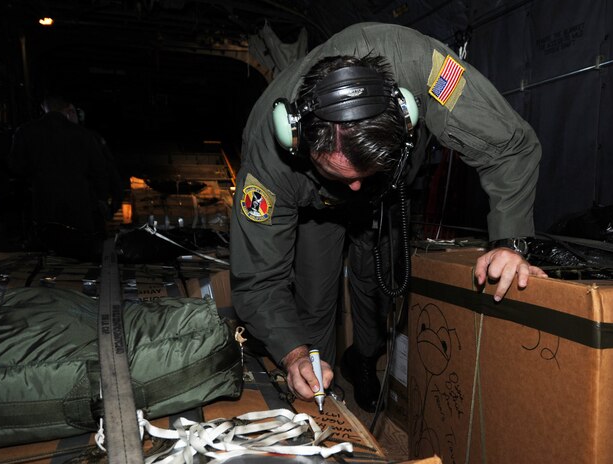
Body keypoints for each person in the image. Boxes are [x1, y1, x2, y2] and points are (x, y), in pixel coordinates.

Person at [230, 22, 547, 410]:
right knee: (314, 300)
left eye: (361, 175)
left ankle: (364, 358)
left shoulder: (422, 68)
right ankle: (321, 389)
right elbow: (258, 280)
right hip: (316, 208)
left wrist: (509, 241)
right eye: (339, 174)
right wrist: (293, 355)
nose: (355, 188)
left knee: (378, 287)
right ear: (296, 138)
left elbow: (509, 144)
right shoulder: (268, 161)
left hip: (390, 189)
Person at [9, 95, 121, 259]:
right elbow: (100, 171)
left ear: (44, 109)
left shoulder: (25, 132)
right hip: (79, 206)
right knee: (81, 253)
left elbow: (16, 167)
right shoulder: (84, 135)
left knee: (48, 250)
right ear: (68, 110)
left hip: (44, 204)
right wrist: (102, 199)